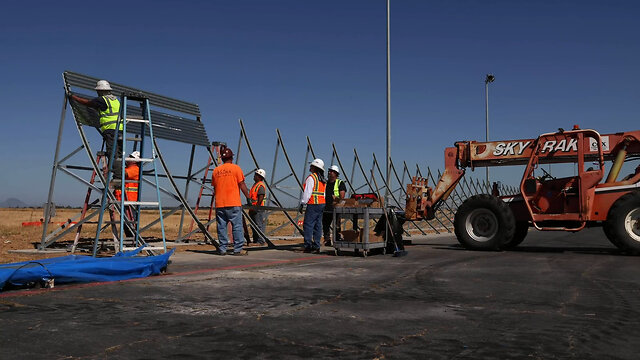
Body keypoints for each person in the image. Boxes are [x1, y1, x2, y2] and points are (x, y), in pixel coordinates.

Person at [69, 80, 124, 179]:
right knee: (119, 154)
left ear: (101, 91)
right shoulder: (115, 100)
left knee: (112, 153)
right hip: (120, 130)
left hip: (110, 130)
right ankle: (120, 174)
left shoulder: (102, 100)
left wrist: (74, 97)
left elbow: (88, 103)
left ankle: (118, 177)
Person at [211, 147, 251, 256]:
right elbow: (241, 184)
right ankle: (237, 249)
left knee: (221, 227)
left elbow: (215, 187)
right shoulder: (236, 169)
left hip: (220, 203)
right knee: (237, 226)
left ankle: (222, 249)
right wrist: (248, 196)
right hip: (233, 202)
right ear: (232, 157)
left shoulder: (216, 170)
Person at [299, 159, 326, 253]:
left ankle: (308, 246)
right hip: (321, 204)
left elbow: (307, 192)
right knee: (318, 225)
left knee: (308, 225)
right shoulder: (322, 179)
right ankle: (316, 246)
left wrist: (303, 203)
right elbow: (323, 193)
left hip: (313, 204)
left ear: (315, 167)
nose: (310, 167)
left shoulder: (312, 178)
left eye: (311, 165)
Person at [114, 151, 141, 237]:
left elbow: (123, 174)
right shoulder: (128, 169)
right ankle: (130, 239)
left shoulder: (135, 169)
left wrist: (115, 165)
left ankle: (133, 240)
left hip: (130, 200)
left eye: (130, 157)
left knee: (130, 222)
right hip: (124, 199)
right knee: (126, 222)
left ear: (135, 161)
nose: (128, 158)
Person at [322, 165, 346, 246]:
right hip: (326, 208)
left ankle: (337, 239)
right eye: (329, 171)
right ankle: (327, 240)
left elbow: (342, 197)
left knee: (336, 225)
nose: (329, 173)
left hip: (336, 208)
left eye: (331, 171)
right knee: (325, 225)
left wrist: (337, 199)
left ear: (336, 173)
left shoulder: (340, 183)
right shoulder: (326, 183)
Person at [248, 169, 268, 245]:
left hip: (258, 209)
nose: (254, 176)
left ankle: (261, 241)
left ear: (260, 177)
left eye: (256, 175)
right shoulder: (255, 185)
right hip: (253, 208)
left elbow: (261, 197)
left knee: (259, 225)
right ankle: (256, 240)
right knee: (254, 225)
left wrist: (256, 208)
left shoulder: (260, 185)